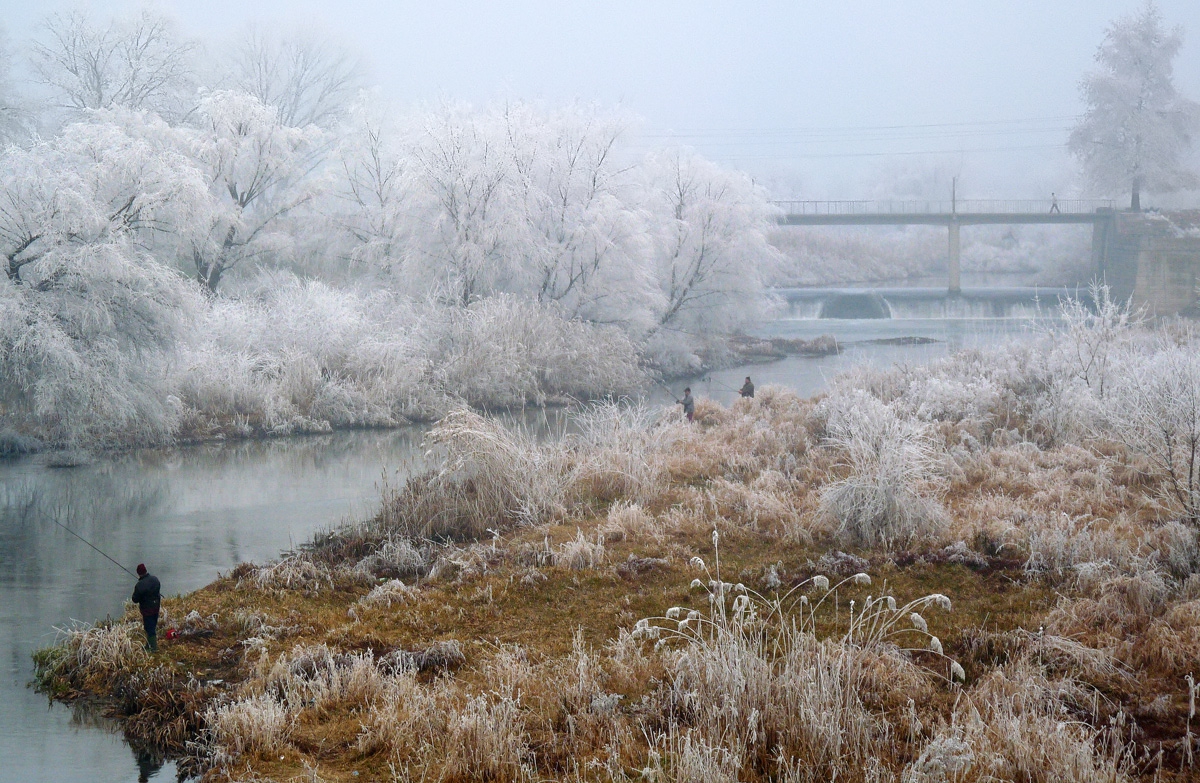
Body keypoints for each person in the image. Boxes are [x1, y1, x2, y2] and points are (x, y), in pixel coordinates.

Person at [131, 564, 161, 652]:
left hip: (147, 610)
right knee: (152, 626)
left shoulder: (140, 585)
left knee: (149, 628)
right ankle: (148, 645)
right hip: (156, 607)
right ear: (145, 570)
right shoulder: (155, 579)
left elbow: (135, 599)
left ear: (138, 573)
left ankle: (153, 648)